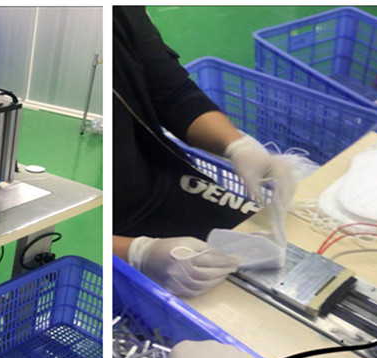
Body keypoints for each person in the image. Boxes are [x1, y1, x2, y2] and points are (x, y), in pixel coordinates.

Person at [113, 6, 295, 297]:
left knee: (271, 253)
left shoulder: (121, 13)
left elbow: (173, 93)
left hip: (162, 184)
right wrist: (137, 254)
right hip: (113, 232)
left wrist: (237, 146)